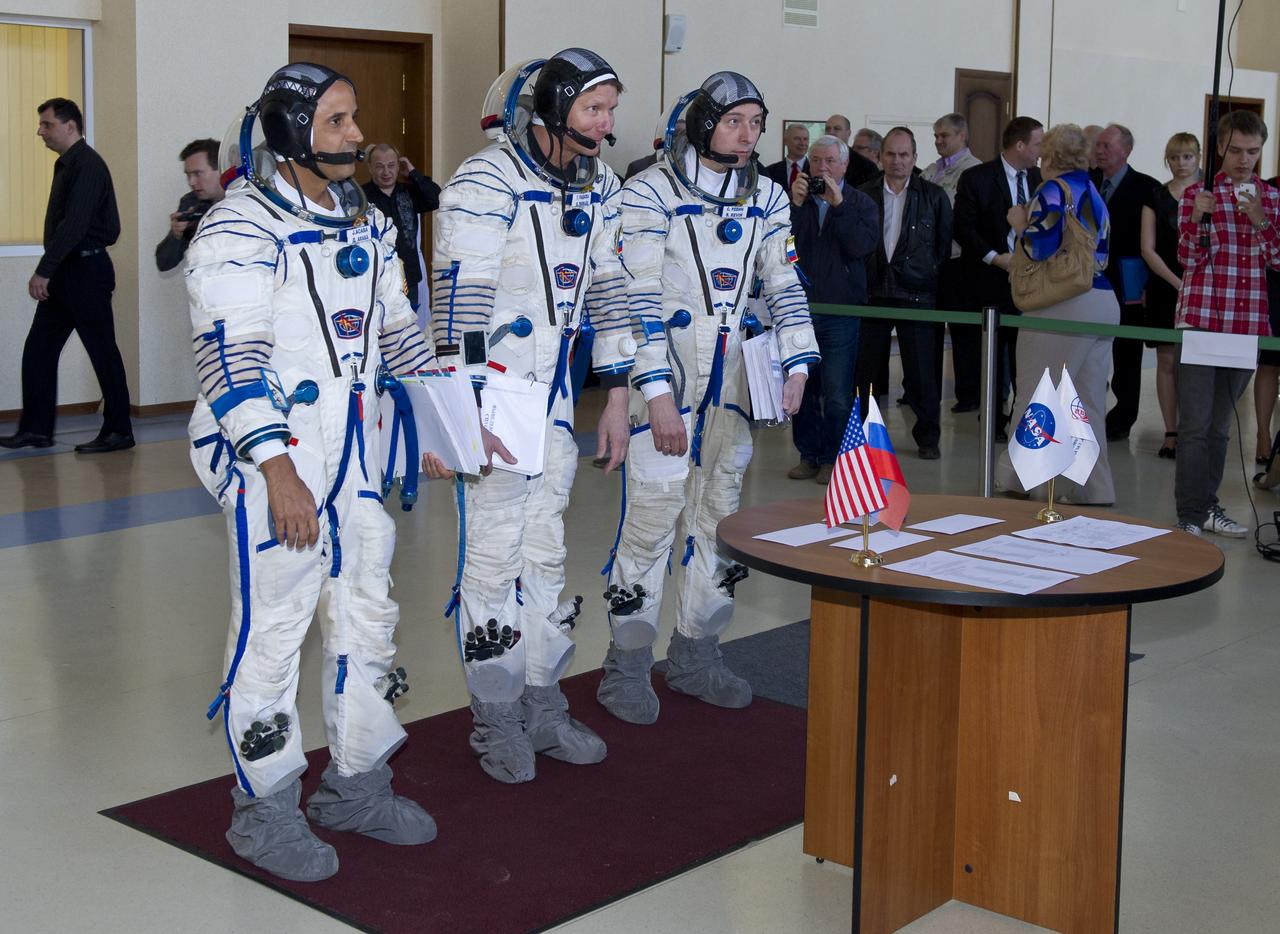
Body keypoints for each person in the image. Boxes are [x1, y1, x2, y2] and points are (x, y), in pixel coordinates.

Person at [185, 63, 448, 882]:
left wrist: (444, 421)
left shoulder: (362, 220)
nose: (356, 135)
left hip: (353, 453)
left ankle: (356, 785)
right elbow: (230, 362)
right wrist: (277, 470)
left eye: (354, 117)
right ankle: (264, 810)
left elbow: (398, 329)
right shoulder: (238, 228)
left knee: (366, 614)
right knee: (273, 632)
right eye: (335, 121)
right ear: (291, 132)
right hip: (274, 458)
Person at [431, 49, 636, 784]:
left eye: (610, 110)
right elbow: (459, 305)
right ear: (552, 109)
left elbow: (609, 289)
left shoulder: (601, 184)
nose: (606, 124)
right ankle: (495, 716)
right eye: (593, 109)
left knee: (546, 552)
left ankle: (544, 702)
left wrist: (617, 397)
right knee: (493, 558)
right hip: (495, 396)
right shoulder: (485, 182)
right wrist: (467, 411)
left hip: (553, 399)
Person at [596, 72, 818, 725]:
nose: (748, 135)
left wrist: (796, 362)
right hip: (665, 382)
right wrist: (657, 394)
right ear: (701, 124)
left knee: (718, 518)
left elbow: (784, 283)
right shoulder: (649, 192)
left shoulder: (767, 197)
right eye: (734, 121)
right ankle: (626, 665)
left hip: (732, 382)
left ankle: (696, 653)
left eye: (756, 123)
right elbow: (635, 300)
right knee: (651, 520)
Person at [0, 98, 133, 454]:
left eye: (47, 124)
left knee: (102, 352)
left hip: (86, 272)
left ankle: (119, 430)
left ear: (70, 126)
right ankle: (35, 429)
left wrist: (44, 270)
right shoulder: (66, 165)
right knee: (39, 350)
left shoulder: (88, 165)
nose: (40, 131)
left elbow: (75, 224)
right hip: (67, 271)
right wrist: (53, 269)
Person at [995, 124, 1116, 505]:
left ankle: (1020, 478)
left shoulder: (1052, 191)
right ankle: (1093, 487)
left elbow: (1038, 247)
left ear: (1049, 156)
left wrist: (1019, 223)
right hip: (1101, 300)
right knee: (1088, 402)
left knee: (1036, 393)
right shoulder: (1093, 192)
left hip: (1062, 303)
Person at [1173, 110, 1280, 537]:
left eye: (1252, 152)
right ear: (1220, 148)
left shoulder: (1271, 198)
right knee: (1195, 426)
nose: (1243, 159)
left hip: (1246, 324)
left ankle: (1209, 506)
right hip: (1200, 319)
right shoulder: (1197, 194)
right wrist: (1196, 218)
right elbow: (1187, 259)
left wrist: (1260, 220)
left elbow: (1278, 259)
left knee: (1220, 427)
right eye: (1235, 150)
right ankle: (1189, 515)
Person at [856, 127, 953, 460]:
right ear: (881, 156)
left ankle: (928, 438)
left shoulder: (934, 196)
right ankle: (864, 435)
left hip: (917, 295)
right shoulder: (863, 194)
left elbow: (942, 247)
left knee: (923, 373)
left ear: (914, 157)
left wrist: (926, 276)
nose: (897, 161)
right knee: (866, 372)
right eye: (891, 154)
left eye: (904, 155)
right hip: (873, 294)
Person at [787, 134, 878, 482]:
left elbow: (860, 247)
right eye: (815, 161)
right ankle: (808, 455)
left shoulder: (861, 202)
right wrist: (795, 207)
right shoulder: (798, 200)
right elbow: (784, 248)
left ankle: (833, 458)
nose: (821, 168)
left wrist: (839, 207)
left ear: (844, 164)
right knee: (803, 388)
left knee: (837, 392)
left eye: (829, 161)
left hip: (841, 310)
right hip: (800, 309)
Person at [953, 116, 1044, 440]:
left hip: (1030, 284)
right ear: (1020, 145)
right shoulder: (976, 177)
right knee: (990, 358)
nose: (1041, 151)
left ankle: (1025, 419)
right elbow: (963, 227)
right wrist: (996, 258)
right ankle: (992, 420)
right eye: (1038, 144)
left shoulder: (1041, 179)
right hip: (988, 280)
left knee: (1027, 357)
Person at [1092, 124, 1159, 443]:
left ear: (1126, 150)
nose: (1099, 150)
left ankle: (1122, 416)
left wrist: (1149, 286)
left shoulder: (1147, 187)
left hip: (1128, 281)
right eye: (1098, 145)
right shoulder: (1087, 181)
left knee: (1127, 353)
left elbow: (1156, 242)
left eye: (1107, 145)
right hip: (1089, 280)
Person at [1140, 133, 1201, 459]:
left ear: (1198, 158)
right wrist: (1178, 283)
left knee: (1195, 363)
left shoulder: (1208, 195)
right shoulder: (1156, 196)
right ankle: (1170, 432)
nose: (1181, 163)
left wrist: (1192, 284)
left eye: (1187, 157)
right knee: (1166, 360)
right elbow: (1147, 249)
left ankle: (1193, 431)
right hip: (1165, 285)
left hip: (1203, 286)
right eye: (1175, 158)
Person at [923, 113, 983, 413]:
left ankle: (969, 393)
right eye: (936, 136)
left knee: (963, 332)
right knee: (928, 331)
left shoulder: (974, 171)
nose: (938, 141)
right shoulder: (931, 170)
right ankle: (925, 389)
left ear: (962, 136)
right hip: (929, 260)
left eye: (944, 135)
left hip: (958, 260)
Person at [361, 143, 439, 312]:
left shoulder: (410, 193)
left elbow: (436, 198)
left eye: (391, 165)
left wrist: (412, 172)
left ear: (399, 166)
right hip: (375, 279)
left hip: (409, 277)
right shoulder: (360, 197)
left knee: (409, 325)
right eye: (379, 166)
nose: (386, 172)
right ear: (370, 168)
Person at [155, 138, 224, 273]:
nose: (191, 182)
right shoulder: (191, 201)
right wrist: (176, 235)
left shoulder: (246, 200)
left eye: (198, 174)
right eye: (188, 175)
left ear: (221, 169)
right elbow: (164, 264)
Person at [823, 112, 880, 186]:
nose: (831, 132)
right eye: (828, 129)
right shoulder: (817, 160)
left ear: (848, 133)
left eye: (837, 129)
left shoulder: (866, 166)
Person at [763, 121, 810, 193]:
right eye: (797, 138)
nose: (802, 143)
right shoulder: (770, 171)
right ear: (785, 141)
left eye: (805, 139)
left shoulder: (816, 171)